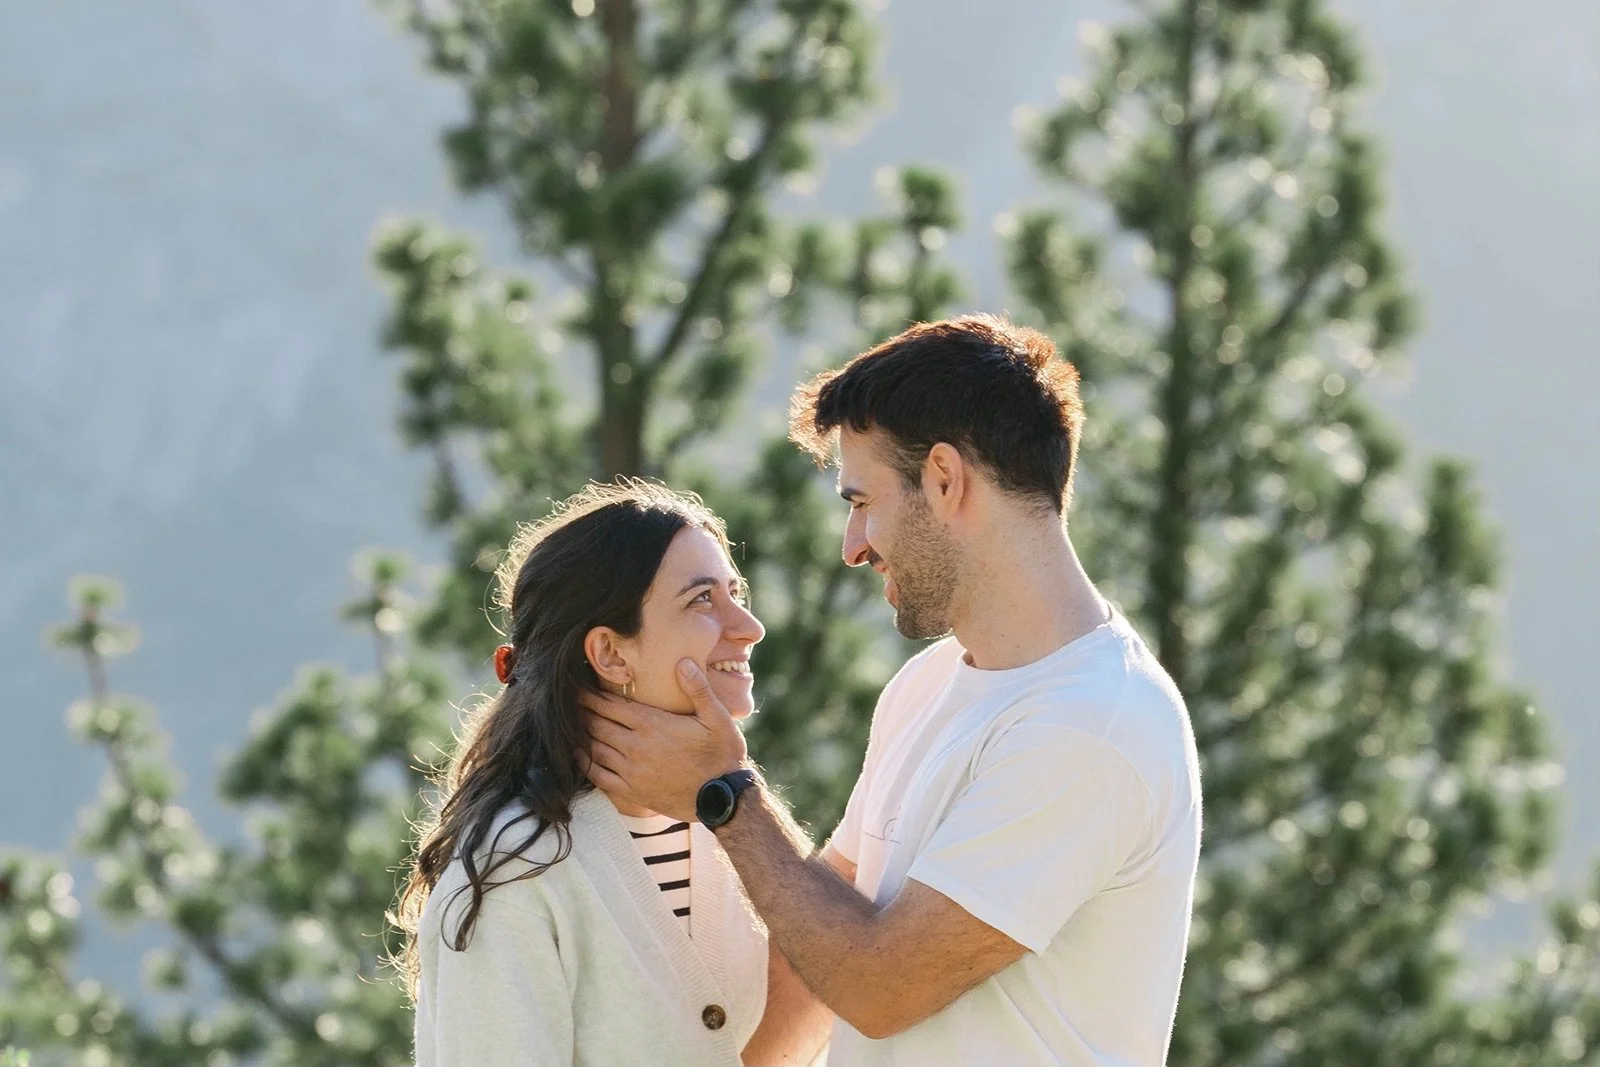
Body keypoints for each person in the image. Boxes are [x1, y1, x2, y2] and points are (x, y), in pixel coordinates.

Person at [585, 315, 1204, 1066]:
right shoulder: (928, 683)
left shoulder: (1095, 724)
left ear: (944, 479)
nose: (853, 547)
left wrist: (724, 796)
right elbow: (818, 954)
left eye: (861, 502)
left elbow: (880, 987)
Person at [397, 480, 818, 1067]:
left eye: (735, 591)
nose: (749, 626)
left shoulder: (735, 826)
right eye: (702, 599)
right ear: (612, 654)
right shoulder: (515, 870)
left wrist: (734, 791)